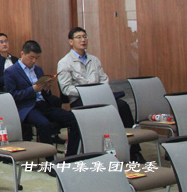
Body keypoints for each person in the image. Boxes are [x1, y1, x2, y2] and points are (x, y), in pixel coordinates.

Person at [57, 27, 144, 162]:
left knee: (123, 106)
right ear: (71, 41)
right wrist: (86, 91)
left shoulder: (94, 60)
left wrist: (100, 90)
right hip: (80, 100)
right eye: (79, 37)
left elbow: (104, 79)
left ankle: (134, 151)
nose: (83, 40)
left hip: (98, 97)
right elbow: (66, 89)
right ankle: (77, 155)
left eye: (85, 37)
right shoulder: (64, 62)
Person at [4, 40, 80, 158]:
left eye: (37, 58)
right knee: (44, 124)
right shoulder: (11, 71)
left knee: (75, 119)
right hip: (27, 107)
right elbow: (12, 96)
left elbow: (46, 95)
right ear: (22, 53)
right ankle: (50, 160)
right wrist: (32, 90)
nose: (34, 61)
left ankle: (71, 156)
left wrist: (46, 89)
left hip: (43, 104)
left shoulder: (38, 69)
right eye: (31, 57)